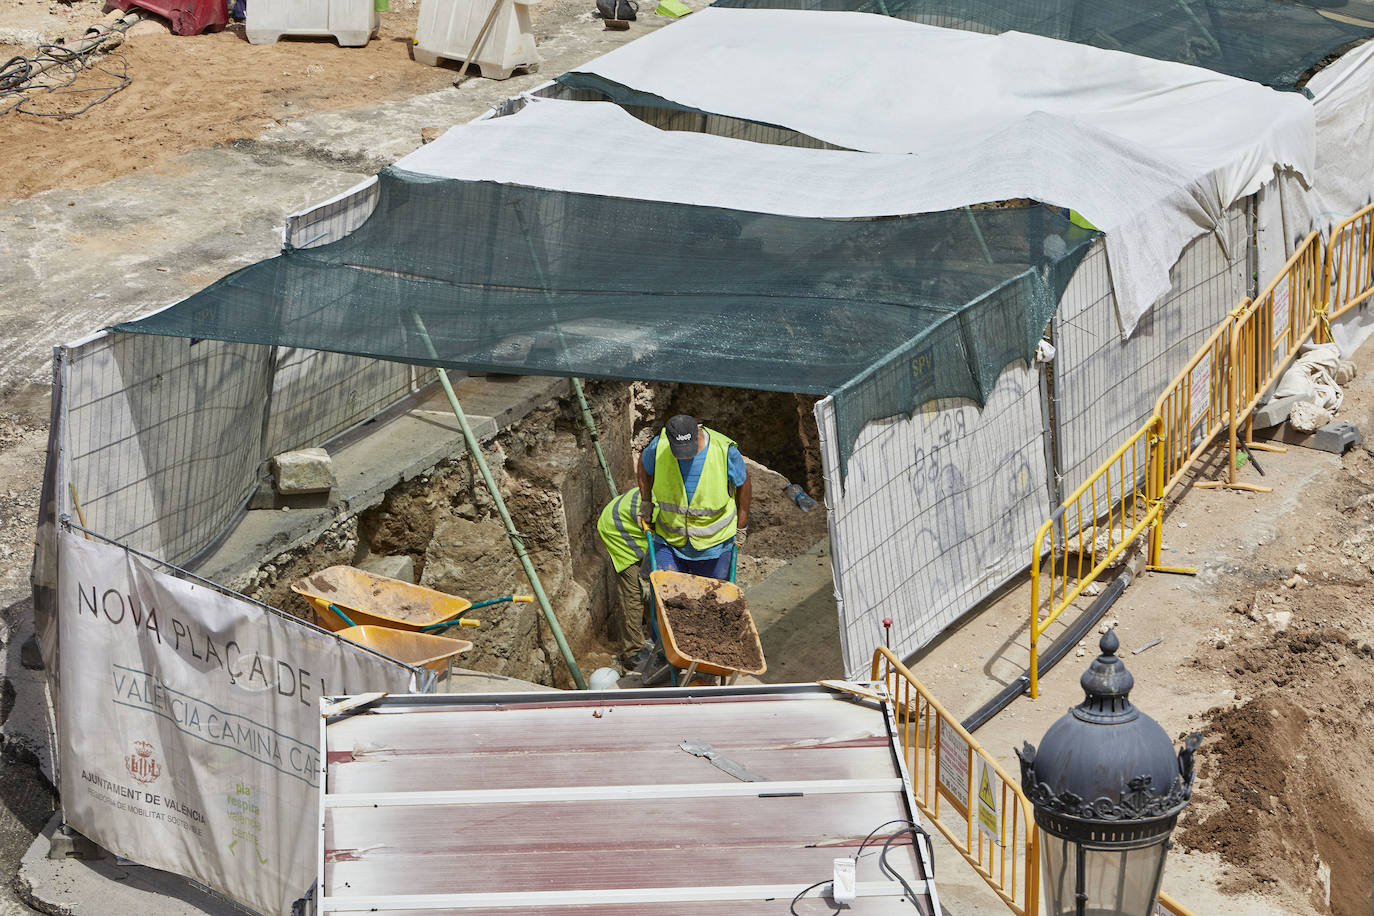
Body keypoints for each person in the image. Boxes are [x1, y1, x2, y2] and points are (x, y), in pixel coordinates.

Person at [636, 414, 750, 581]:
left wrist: (742, 523)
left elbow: (743, 482)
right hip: (670, 541)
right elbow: (643, 465)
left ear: (698, 432)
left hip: (715, 544)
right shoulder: (659, 446)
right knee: (666, 594)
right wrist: (646, 501)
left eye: (689, 449)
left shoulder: (723, 450)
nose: (685, 456)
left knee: (714, 599)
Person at [595, 488, 655, 659]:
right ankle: (634, 652)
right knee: (635, 592)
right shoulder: (668, 507)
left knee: (653, 588)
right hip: (620, 529)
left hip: (639, 528)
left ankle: (656, 636)